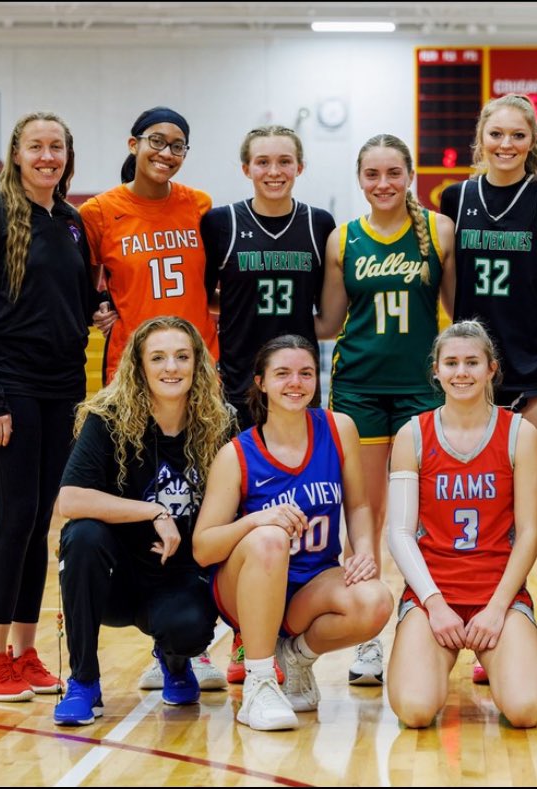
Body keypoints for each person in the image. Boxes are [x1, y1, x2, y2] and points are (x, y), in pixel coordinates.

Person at [0, 111, 97, 702]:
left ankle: (25, 651)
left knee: (40, 524)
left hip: (62, 389)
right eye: (35, 146)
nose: (46, 156)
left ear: (67, 156)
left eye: (56, 147)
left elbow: (72, 304)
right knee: (16, 516)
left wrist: (98, 311)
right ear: (16, 154)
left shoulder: (71, 222)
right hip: (8, 391)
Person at [193, 335, 392, 731]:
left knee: (376, 601)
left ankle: (295, 658)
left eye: (305, 373)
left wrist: (365, 552)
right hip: (247, 588)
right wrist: (257, 519)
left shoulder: (338, 429)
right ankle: (259, 681)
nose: (295, 383)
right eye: (282, 374)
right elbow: (203, 548)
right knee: (269, 538)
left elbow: (359, 504)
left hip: (312, 584)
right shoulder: (237, 453)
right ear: (261, 382)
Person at [318, 133, 455, 685]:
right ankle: (368, 638)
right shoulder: (342, 239)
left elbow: (458, 311)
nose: (383, 184)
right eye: (372, 175)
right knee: (366, 516)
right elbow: (327, 323)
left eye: (393, 173)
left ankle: (441, 617)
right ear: (359, 179)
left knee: (428, 515)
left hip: (423, 390)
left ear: (410, 175)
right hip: (358, 389)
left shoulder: (439, 233)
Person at [200, 126, 336, 685]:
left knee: (302, 509)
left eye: (285, 161)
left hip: (299, 385)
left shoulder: (318, 225)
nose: (274, 170)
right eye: (262, 161)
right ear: (246, 168)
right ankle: (237, 635)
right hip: (237, 388)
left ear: (300, 168)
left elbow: (327, 314)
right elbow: (206, 299)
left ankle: (287, 634)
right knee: (240, 516)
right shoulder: (221, 224)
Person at [51, 316, 234, 725]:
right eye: (159, 357)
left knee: (189, 627)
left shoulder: (220, 424)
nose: (171, 367)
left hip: (178, 576)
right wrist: (154, 511)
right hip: (114, 580)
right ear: (140, 366)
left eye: (181, 356)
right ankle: (83, 681)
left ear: (197, 364)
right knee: (81, 536)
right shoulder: (109, 419)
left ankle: (174, 661)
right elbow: (70, 498)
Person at [384, 321, 537, 728]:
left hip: (498, 597)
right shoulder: (413, 434)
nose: (462, 372)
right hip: (432, 598)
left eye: (472, 362)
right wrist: (435, 605)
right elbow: (400, 533)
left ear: (492, 369)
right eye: (452, 363)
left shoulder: (519, 433)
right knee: (416, 710)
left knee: (527, 710)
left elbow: (529, 533)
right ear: (436, 370)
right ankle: (436, 660)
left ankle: (498, 655)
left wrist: (496, 610)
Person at [440, 93, 537, 422]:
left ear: (532, 141)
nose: (506, 144)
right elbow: (451, 285)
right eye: (496, 134)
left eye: (518, 135)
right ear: (481, 137)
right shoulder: (455, 198)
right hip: (473, 367)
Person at [81, 106, 217, 383]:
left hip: (197, 360)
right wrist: (101, 307)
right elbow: (86, 291)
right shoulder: (98, 212)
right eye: (156, 141)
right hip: (131, 363)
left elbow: (207, 288)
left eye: (177, 147)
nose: (166, 153)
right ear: (134, 144)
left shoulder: (200, 204)